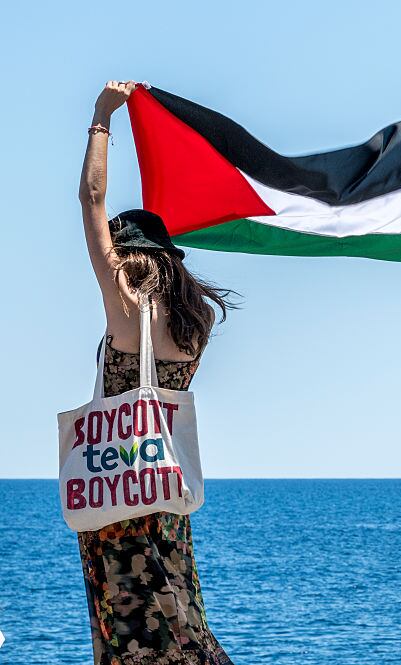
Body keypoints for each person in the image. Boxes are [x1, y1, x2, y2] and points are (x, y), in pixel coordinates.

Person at [77, 81, 235, 665]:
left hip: (114, 490)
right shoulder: (197, 324)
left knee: (125, 628)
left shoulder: (122, 306)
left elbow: (92, 200)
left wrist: (101, 119)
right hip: (162, 486)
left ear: (127, 255)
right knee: (179, 614)